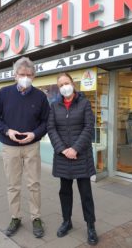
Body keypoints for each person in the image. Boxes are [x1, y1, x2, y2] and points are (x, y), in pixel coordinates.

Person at [0, 57, 50, 238]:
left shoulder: (40, 97)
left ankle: (36, 217)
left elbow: (47, 121)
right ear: (15, 75)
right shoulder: (3, 93)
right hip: (10, 147)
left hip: (32, 146)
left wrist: (35, 134)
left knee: (34, 184)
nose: (25, 77)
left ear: (34, 76)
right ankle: (15, 217)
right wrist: (7, 131)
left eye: (29, 75)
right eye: (22, 74)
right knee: (13, 185)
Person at [47, 73, 98, 246]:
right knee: (65, 192)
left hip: (81, 156)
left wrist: (75, 148)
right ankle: (66, 221)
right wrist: (63, 149)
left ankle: (91, 226)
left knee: (86, 194)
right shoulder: (54, 106)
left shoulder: (84, 103)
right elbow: (51, 128)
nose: (64, 87)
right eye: (60, 85)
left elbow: (88, 127)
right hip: (63, 157)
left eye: (66, 83)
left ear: (73, 84)